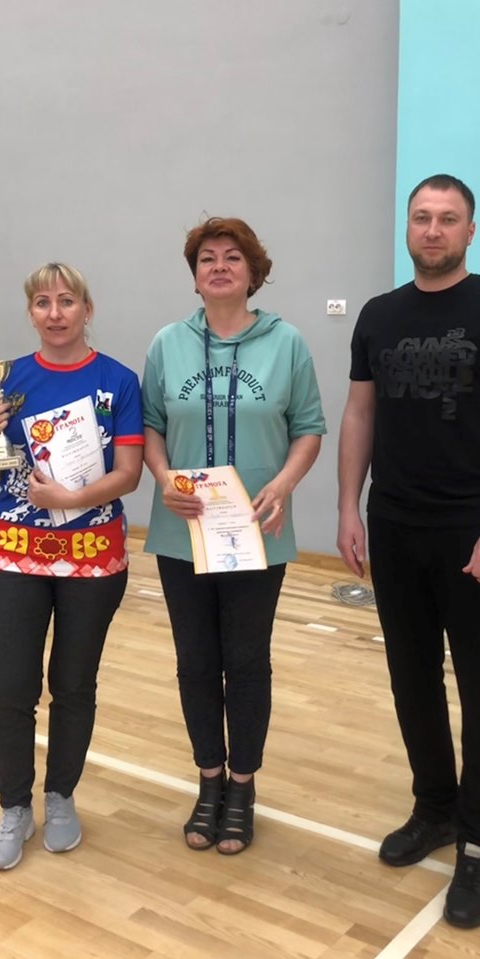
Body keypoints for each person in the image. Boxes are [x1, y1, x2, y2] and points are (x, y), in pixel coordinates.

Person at [337, 176, 480, 929]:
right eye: (422, 217)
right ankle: (434, 807)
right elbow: (359, 415)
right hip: (395, 527)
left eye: (447, 219)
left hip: (473, 531)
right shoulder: (379, 315)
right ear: (407, 226)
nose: (433, 229)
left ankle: (479, 842)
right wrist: (348, 506)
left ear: (469, 231)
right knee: (412, 678)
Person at [142, 217, 326, 854]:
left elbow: (309, 429)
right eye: (207, 259)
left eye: (232, 257)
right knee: (195, 662)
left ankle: (242, 786)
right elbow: (150, 426)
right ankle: (209, 780)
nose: (219, 267)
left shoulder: (288, 343)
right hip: (182, 532)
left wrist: (284, 483)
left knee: (246, 662)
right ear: (195, 276)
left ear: (254, 272)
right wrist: (163, 477)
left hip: (256, 532)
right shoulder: (167, 343)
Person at [0, 262, 144, 870]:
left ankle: (61, 796)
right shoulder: (6, 382)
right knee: (11, 688)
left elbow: (129, 473)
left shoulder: (118, 381)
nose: (55, 312)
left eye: (67, 301)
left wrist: (70, 499)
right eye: (43, 303)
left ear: (86, 310)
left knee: (73, 685)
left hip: (94, 558)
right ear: (31, 313)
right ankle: (14, 807)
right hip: (15, 554)